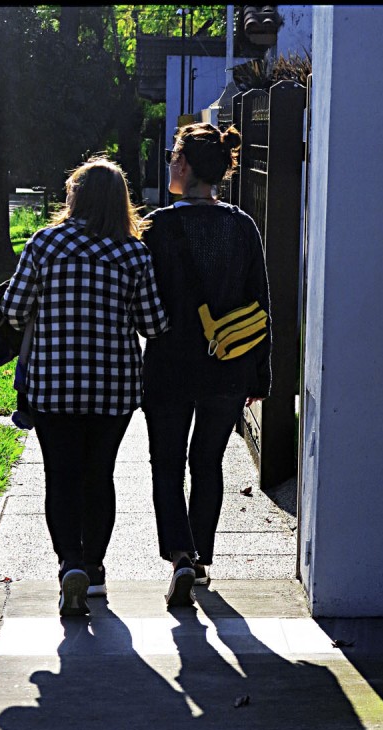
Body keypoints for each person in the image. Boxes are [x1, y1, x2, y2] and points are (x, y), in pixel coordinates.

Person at [0, 155, 169, 616]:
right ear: (121, 202)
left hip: (52, 386)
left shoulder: (44, 244)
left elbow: (14, 311)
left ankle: (68, 563)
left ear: (75, 196)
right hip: (113, 390)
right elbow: (153, 324)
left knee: (61, 476)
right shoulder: (134, 254)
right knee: (100, 476)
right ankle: (94, 569)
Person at [141, 122, 272, 608]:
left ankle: (179, 554)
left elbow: (144, 300)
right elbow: (260, 301)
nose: (171, 165)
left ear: (189, 167)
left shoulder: (157, 227)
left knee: (167, 464)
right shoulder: (242, 226)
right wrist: (261, 373)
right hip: (229, 365)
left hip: (169, 366)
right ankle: (199, 560)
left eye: (176, 158)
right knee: (208, 462)